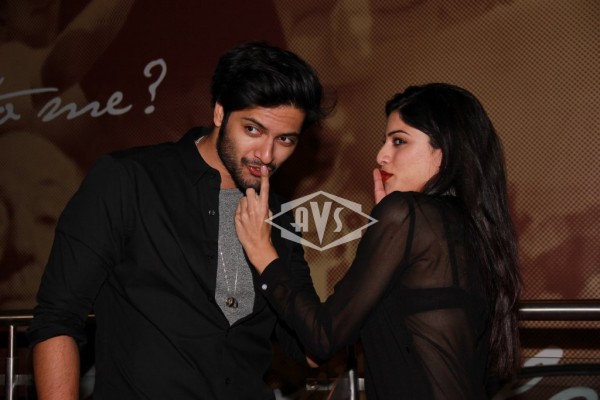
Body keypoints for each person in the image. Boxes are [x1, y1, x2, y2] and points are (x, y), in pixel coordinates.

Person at [27, 41, 329, 400]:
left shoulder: (278, 215)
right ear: (220, 112)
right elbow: (57, 318)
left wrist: (270, 259)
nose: (266, 154)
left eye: (285, 140)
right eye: (253, 129)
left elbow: (310, 348)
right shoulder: (129, 181)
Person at [235, 83, 522, 399]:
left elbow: (323, 337)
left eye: (399, 141)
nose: (381, 156)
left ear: (444, 151)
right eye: (385, 141)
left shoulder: (406, 215)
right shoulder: (474, 231)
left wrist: (263, 253)